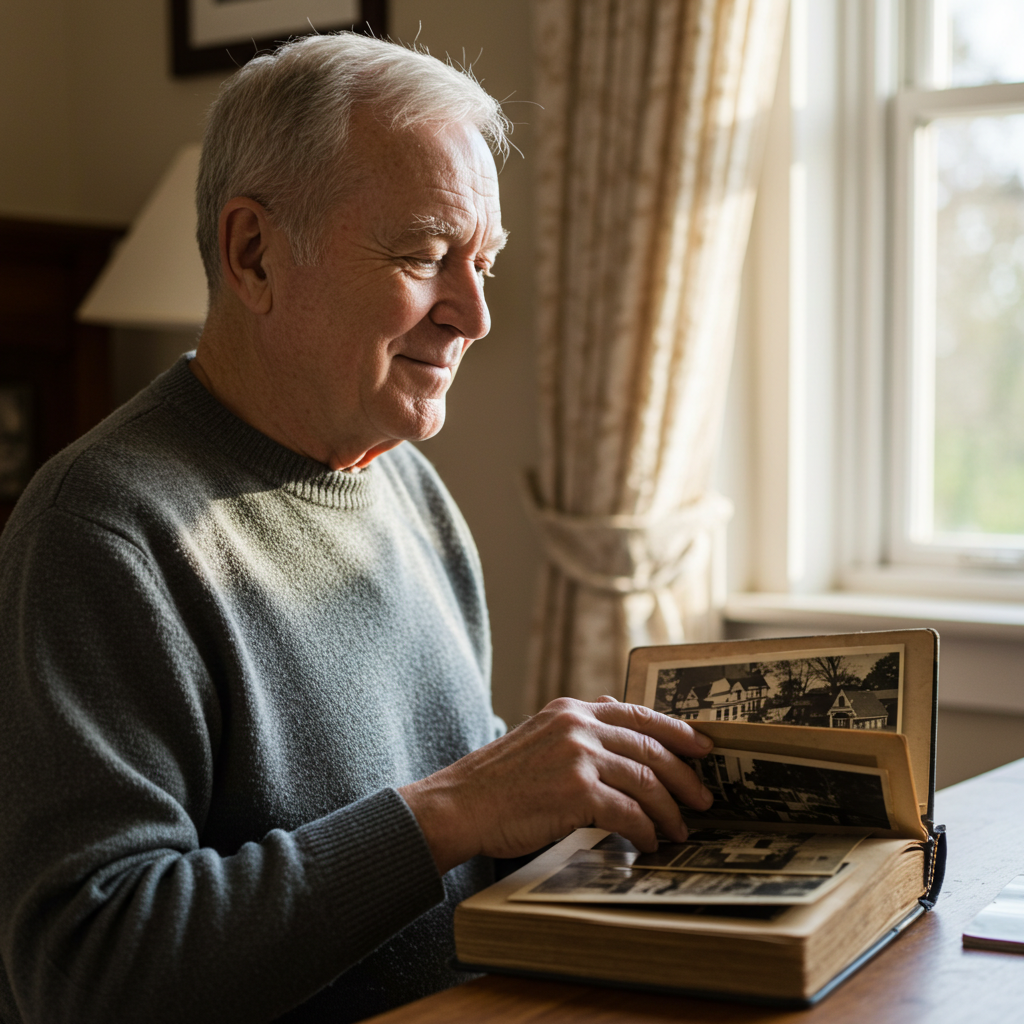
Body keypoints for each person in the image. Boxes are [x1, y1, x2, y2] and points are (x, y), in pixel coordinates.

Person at [0, 33, 714, 1024]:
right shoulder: (100, 532)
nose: (472, 314)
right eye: (426, 254)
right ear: (252, 254)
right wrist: (462, 806)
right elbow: (90, 975)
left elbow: (451, 825)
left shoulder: (408, 487)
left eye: (485, 263)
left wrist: (611, 797)